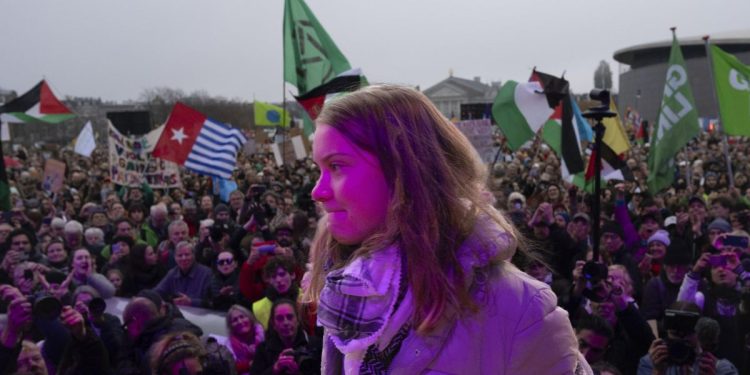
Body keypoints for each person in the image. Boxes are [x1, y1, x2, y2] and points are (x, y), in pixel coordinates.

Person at [304, 85, 589, 374]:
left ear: (403, 170)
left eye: (337, 166)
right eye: (319, 169)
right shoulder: (348, 291)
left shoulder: (521, 313)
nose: (318, 191)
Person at [250, 299, 322, 375]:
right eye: (280, 318)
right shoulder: (263, 350)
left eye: (290, 317)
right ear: (273, 324)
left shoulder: (316, 345)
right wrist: (275, 369)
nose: (285, 322)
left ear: (298, 320)